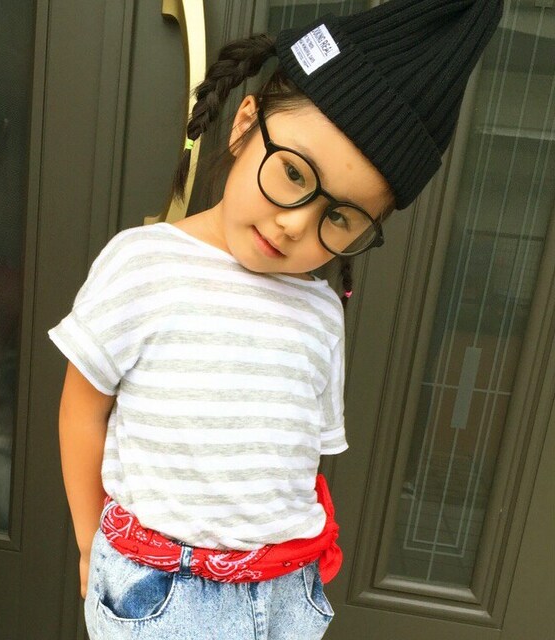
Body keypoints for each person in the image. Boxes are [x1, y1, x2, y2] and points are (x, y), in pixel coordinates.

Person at [48, 1, 502, 638]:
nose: (295, 224)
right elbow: (82, 408)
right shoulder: (143, 265)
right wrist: (88, 540)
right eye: (292, 172)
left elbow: (297, 460)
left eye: (338, 217)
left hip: (287, 594)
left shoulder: (320, 312)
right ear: (244, 125)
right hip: (162, 593)